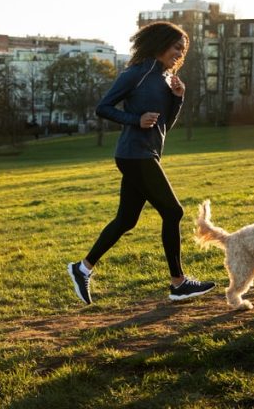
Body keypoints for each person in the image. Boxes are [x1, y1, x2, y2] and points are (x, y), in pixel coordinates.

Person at [67, 21, 216, 305]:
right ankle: (178, 283)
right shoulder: (137, 73)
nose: (179, 54)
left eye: (182, 50)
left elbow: (164, 126)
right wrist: (135, 119)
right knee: (173, 212)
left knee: (126, 220)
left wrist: (178, 99)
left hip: (146, 153)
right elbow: (103, 107)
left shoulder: (165, 79)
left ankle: (82, 268)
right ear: (160, 44)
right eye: (176, 47)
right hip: (134, 154)